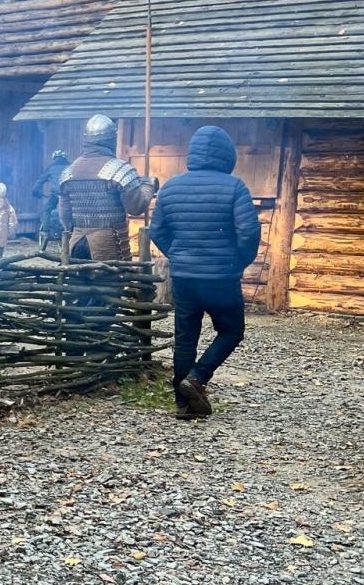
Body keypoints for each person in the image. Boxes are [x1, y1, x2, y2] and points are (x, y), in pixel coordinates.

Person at [148, 125, 261, 420]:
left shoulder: (171, 187)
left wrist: (178, 255)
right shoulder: (234, 187)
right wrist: (238, 262)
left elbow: (157, 230)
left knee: (186, 338)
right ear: (227, 155)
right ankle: (197, 378)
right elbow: (248, 232)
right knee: (232, 331)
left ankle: (183, 404)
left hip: (184, 277)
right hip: (221, 277)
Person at [59, 114, 155, 261]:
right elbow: (136, 207)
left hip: (77, 242)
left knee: (77, 282)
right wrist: (149, 185)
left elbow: (65, 214)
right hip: (108, 245)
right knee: (110, 283)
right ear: (111, 139)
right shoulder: (119, 169)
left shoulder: (69, 171)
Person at [32, 149, 68, 252]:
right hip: (68, 195)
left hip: (56, 195)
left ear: (54, 158)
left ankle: (46, 231)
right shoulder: (71, 167)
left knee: (47, 210)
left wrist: (35, 192)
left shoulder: (51, 168)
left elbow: (40, 181)